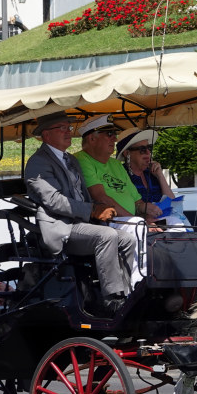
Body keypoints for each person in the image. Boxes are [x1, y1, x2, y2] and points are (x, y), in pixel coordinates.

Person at [24, 112, 135, 315]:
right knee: (107, 236)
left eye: (69, 128)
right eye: (63, 128)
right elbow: (53, 200)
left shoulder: (70, 160)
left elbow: (82, 194)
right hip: (61, 227)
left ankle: (128, 293)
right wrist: (93, 210)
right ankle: (112, 299)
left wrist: (99, 209)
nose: (69, 133)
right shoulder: (38, 164)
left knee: (127, 238)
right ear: (46, 135)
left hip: (83, 225)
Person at [73, 116, 149, 282]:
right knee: (138, 225)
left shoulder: (115, 164)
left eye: (114, 134)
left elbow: (138, 202)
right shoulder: (81, 160)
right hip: (104, 220)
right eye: (109, 134)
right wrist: (134, 219)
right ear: (92, 138)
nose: (114, 138)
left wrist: (151, 215)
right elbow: (101, 198)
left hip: (129, 218)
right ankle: (138, 283)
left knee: (173, 222)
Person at [116, 129, 175, 226]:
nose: (148, 153)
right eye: (142, 150)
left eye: (149, 148)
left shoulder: (152, 174)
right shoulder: (120, 175)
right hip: (136, 228)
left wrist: (160, 176)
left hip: (163, 224)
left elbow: (172, 202)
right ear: (127, 153)